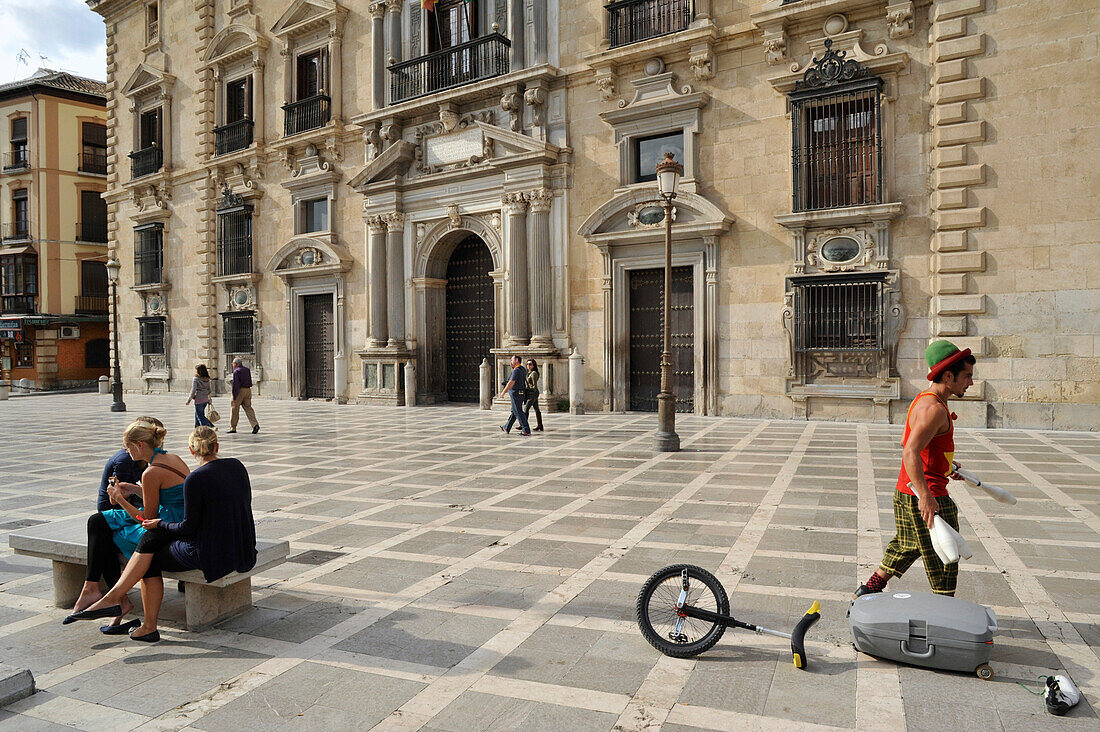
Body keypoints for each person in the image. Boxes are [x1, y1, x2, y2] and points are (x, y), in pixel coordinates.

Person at [64, 427, 258, 643]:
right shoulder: (234, 466)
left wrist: (123, 501)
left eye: (128, 448)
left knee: (147, 553)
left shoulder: (187, 477)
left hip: (204, 549)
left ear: (191, 450)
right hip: (240, 544)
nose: (126, 452)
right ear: (217, 447)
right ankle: (115, 601)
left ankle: (134, 614)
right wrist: (140, 494)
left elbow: (178, 526)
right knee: (135, 538)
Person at [854, 340, 976, 599]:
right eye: (967, 376)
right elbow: (909, 451)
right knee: (945, 560)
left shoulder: (923, 399)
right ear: (948, 375)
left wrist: (946, 466)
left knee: (906, 546)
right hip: (927, 495)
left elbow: (908, 442)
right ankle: (944, 613)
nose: (970, 383)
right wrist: (926, 497)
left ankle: (868, 590)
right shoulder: (934, 409)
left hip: (905, 492)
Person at [71, 420, 189, 634]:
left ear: (140, 445)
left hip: (168, 525)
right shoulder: (171, 458)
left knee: (109, 533)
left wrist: (119, 498)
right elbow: (169, 495)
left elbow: (146, 520)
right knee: (99, 522)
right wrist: (134, 489)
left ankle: (114, 600)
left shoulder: (151, 472)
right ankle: (101, 593)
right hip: (176, 516)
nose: (126, 451)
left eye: (128, 446)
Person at [95, 415, 163, 512]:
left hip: (128, 500)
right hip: (112, 509)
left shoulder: (143, 457)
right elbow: (113, 496)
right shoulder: (125, 459)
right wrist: (135, 489)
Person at [498, 355, 531, 436]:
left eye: (512, 360)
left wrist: (503, 392)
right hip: (521, 393)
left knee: (518, 411)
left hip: (515, 393)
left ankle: (526, 429)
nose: (510, 362)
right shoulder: (523, 369)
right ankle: (507, 427)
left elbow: (511, 382)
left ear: (516, 360)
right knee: (514, 411)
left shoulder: (516, 370)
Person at [228, 357, 259, 435]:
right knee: (248, 408)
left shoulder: (236, 371)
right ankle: (255, 424)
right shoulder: (247, 370)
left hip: (240, 391)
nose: (232, 365)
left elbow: (236, 384)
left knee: (234, 409)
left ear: (236, 364)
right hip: (248, 390)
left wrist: (234, 397)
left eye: (233, 363)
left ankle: (233, 427)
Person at [186, 363, 215, 427]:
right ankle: (197, 428)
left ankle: (211, 427)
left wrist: (189, 400)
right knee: (198, 414)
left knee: (200, 416)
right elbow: (209, 390)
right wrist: (209, 399)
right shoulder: (207, 379)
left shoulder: (196, 379)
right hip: (205, 400)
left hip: (198, 399)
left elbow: (193, 390)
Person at [523, 358, 544, 432]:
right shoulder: (529, 372)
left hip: (533, 393)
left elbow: (535, 386)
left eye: (530, 364)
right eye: (527, 364)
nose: (528, 365)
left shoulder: (534, 373)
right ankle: (540, 425)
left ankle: (524, 425)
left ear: (533, 365)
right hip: (532, 393)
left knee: (526, 409)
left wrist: (531, 395)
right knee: (536, 409)